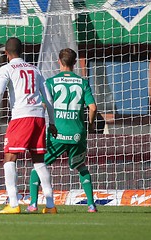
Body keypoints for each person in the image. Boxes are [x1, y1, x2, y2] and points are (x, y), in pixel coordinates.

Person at [0, 37, 58, 214]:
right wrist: (53, 122)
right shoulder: (35, 69)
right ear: (21, 51)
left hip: (21, 117)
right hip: (39, 118)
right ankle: (50, 205)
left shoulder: (7, 68)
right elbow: (48, 98)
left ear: (6, 53)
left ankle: (13, 204)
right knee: (39, 162)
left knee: (9, 158)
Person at [27, 48, 98, 213]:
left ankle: (33, 204)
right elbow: (93, 108)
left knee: (38, 166)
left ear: (59, 61)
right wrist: (91, 124)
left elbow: (43, 106)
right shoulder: (83, 82)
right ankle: (91, 205)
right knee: (81, 167)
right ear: (74, 63)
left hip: (56, 133)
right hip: (77, 133)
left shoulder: (51, 82)